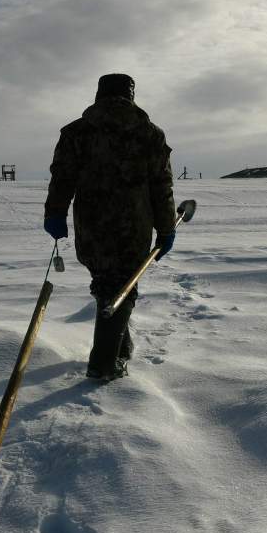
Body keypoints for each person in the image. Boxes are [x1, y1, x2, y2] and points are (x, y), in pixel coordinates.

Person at [44, 73, 176, 381]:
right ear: (131, 95)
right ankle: (103, 365)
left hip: (92, 226)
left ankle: (119, 345)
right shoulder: (150, 134)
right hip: (134, 226)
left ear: (98, 95)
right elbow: (162, 185)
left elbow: (61, 178)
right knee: (119, 286)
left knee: (109, 282)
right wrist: (166, 228)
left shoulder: (76, 132)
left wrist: (55, 213)